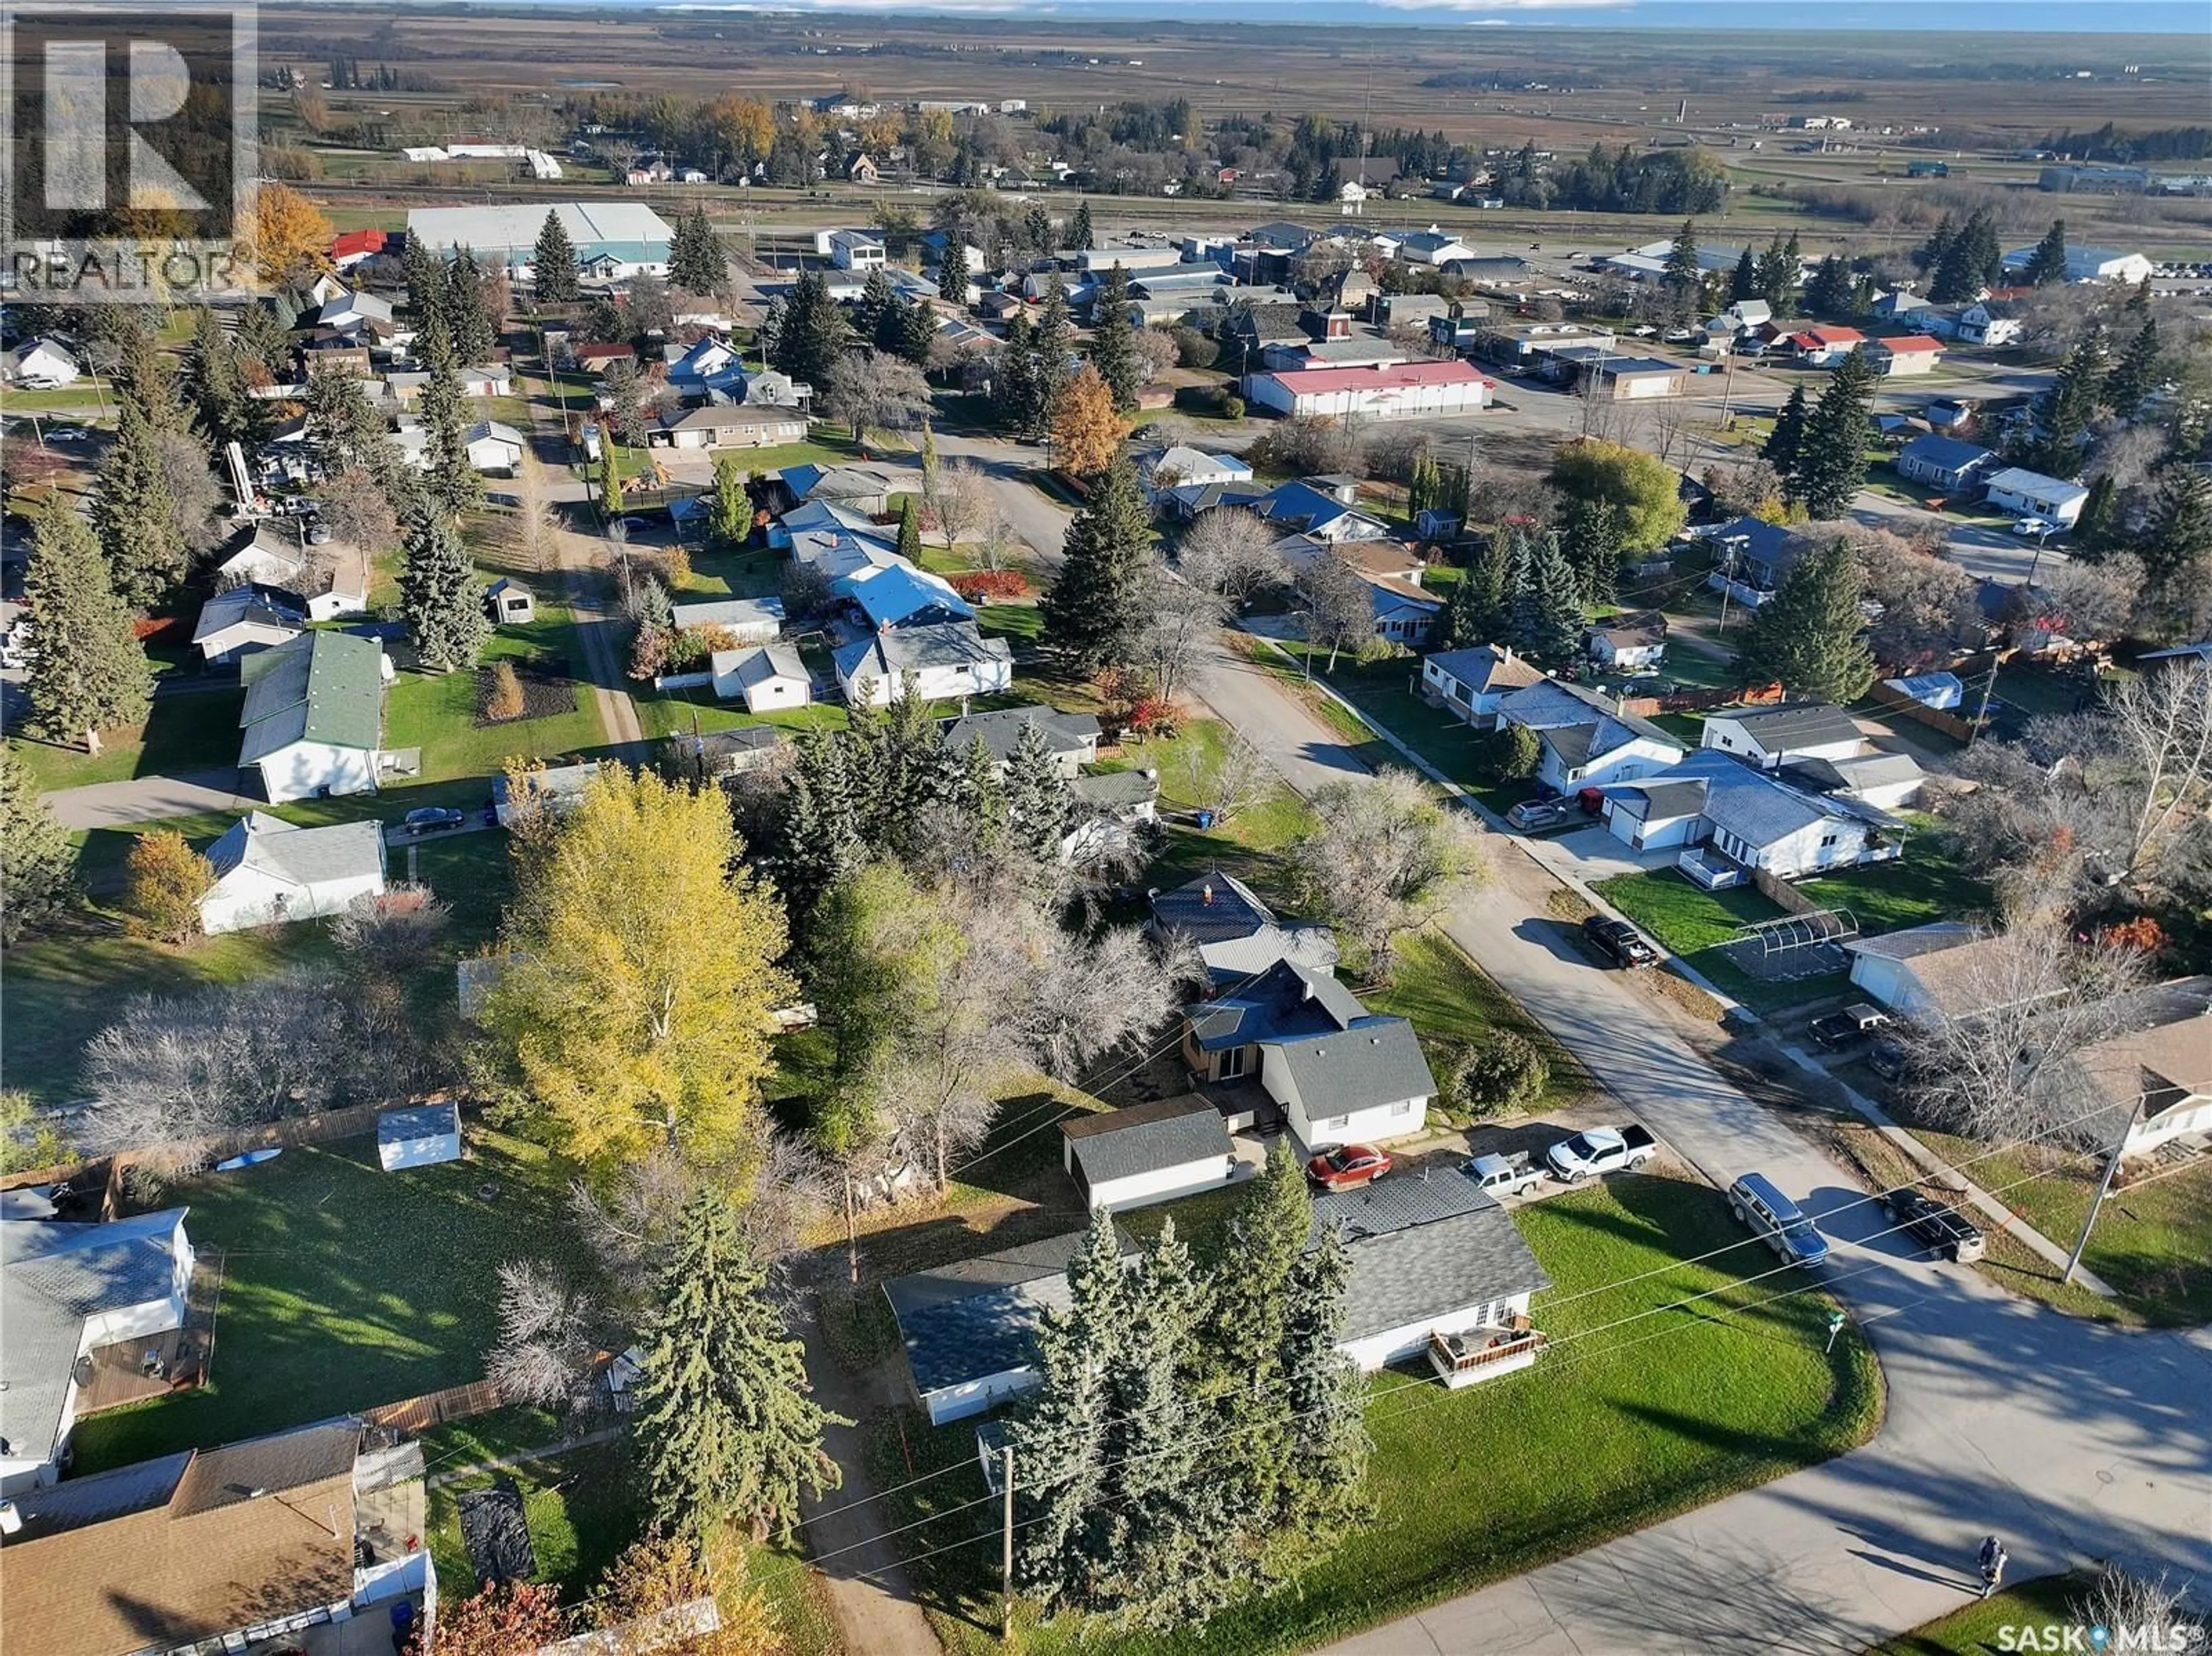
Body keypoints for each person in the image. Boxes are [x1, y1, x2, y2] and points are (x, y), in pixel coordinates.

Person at [1977, 1535, 2007, 1599]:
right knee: (1985, 1579)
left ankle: (1986, 1594)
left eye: (1999, 1551)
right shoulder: (1999, 1558)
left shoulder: (1999, 1560)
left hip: (1994, 1574)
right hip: (1993, 1572)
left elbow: (1996, 1568)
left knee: (1989, 1584)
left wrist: (1990, 1571)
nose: (1998, 1551)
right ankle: (1982, 1588)